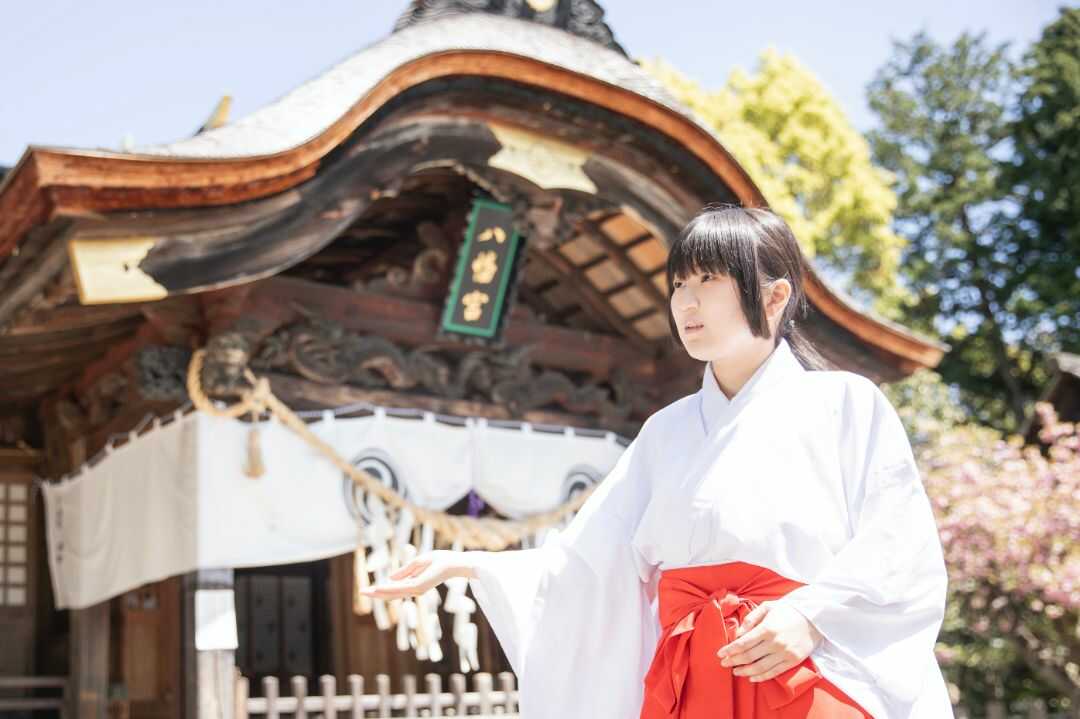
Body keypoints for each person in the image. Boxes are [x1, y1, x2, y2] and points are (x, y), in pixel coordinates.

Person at [361, 206, 953, 718]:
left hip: (807, 664)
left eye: (710, 280)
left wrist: (811, 615)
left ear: (774, 297)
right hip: (693, 677)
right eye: (678, 285)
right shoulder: (664, 431)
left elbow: (899, 545)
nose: (686, 302)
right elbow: (591, 561)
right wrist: (471, 564)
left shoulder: (846, 403)